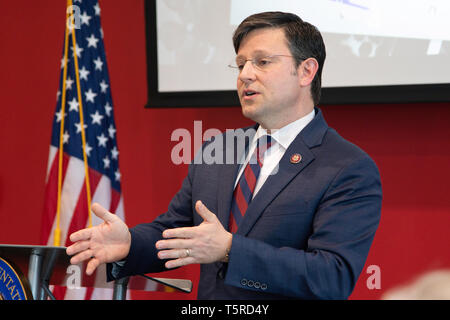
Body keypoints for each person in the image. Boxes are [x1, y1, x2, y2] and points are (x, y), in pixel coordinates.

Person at [66, 11, 382, 299]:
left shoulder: (346, 167)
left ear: (306, 71)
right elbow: (175, 231)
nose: (245, 74)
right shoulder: (218, 150)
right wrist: (130, 245)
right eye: (241, 63)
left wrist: (231, 249)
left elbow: (332, 277)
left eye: (262, 62)